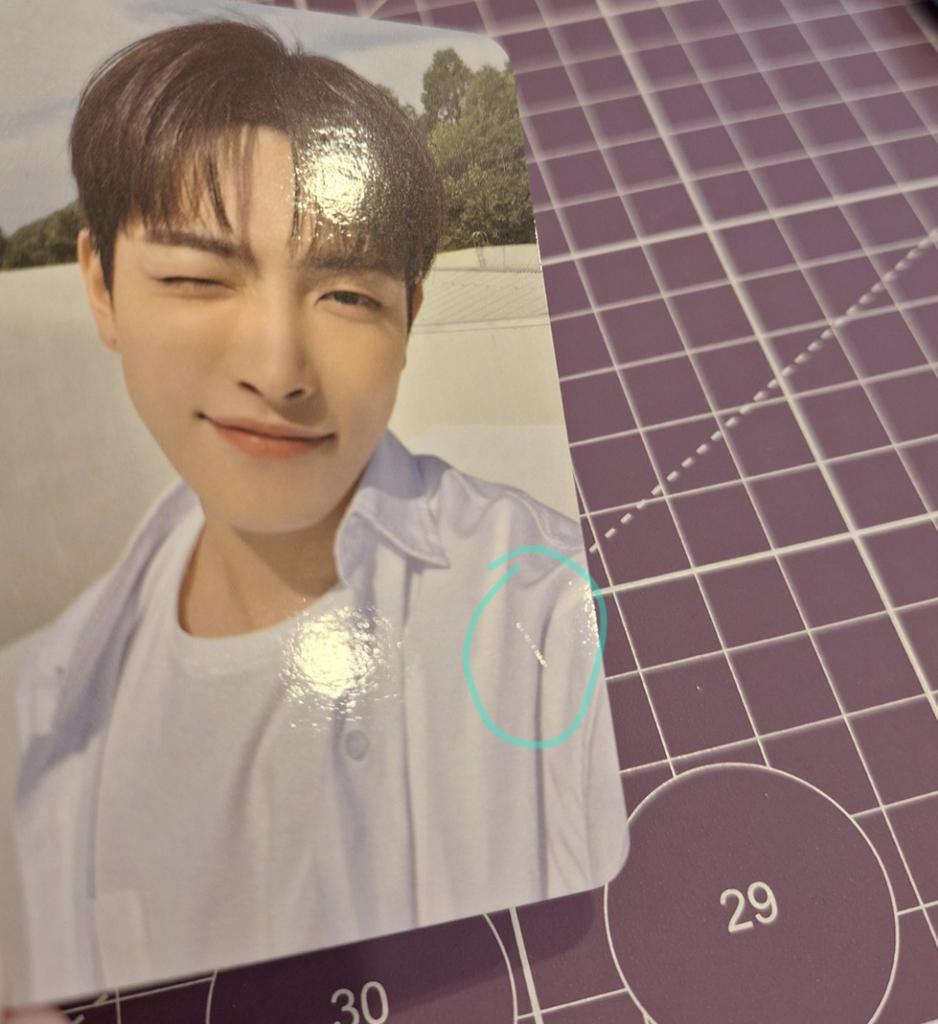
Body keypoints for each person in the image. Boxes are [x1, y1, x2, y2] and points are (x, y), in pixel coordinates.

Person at [11, 18, 628, 1004]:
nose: (276, 371)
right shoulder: (35, 708)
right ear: (101, 284)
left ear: (410, 313)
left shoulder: (552, 614)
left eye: (344, 294)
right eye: (196, 279)